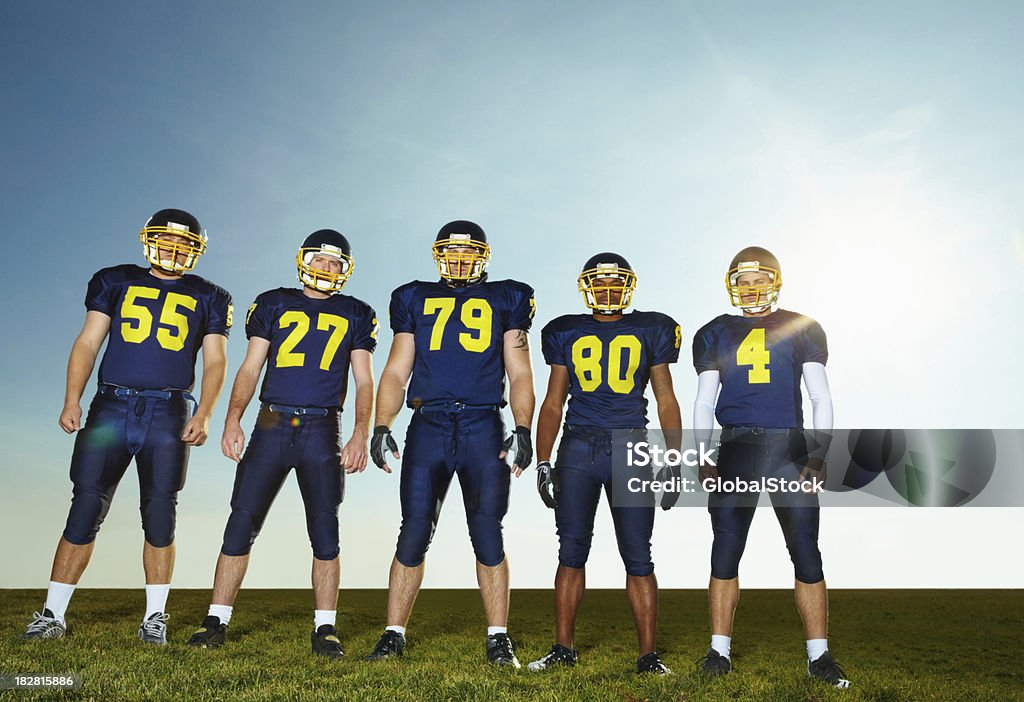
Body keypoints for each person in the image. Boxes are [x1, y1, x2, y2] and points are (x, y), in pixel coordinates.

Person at [22, 209, 231, 645]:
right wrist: (71, 398)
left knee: (160, 515)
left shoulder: (211, 295)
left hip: (169, 411)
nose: (174, 250)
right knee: (84, 508)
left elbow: (215, 360)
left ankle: (155, 617)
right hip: (110, 407)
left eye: (184, 245)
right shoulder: (115, 279)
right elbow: (88, 341)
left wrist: (205, 412)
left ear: (195, 251)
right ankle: (52, 614)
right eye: (167, 241)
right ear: (150, 240)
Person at [186, 229, 377, 658]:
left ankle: (325, 628)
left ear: (345, 270)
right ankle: (216, 619)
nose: (326, 268)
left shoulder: (357, 312)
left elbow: (364, 379)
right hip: (271, 423)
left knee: (325, 530)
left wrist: (361, 432)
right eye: (320, 260)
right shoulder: (274, 301)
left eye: (335, 263)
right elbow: (251, 366)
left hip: (323, 428)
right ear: (303, 260)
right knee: (241, 522)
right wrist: (232, 418)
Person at [365, 220, 535, 667]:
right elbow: (397, 369)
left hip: (483, 424)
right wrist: (382, 424)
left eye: (468, 253)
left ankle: (498, 638)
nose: (460, 261)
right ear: (439, 255)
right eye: (452, 252)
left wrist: (523, 427)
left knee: (487, 531)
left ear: (483, 256)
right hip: (429, 423)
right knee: (414, 529)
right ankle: (393, 633)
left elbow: (519, 370)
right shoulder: (413, 296)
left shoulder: (509, 296)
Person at [692, 246, 849, 688]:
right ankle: (718, 652)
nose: (750, 287)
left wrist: (819, 453)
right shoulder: (715, 332)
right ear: (732, 285)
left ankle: (819, 657)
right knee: (725, 548)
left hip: (789, 447)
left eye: (758, 279)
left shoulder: (802, 327)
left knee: (805, 550)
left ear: (774, 281)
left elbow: (821, 396)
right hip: (736, 446)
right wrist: (704, 453)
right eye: (742, 281)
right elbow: (704, 400)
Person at [527, 253, 681, 675]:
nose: (608, 288)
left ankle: (648, 656)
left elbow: (665, 397)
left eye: (616, 281)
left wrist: (673, 457)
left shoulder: (652, 329)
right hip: (577, 448)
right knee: (571, 551)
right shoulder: (566, 330)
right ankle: (563, 649)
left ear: (628, 285)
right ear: (586, 286)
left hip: (631, 447)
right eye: (601, 281)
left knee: (638, 555)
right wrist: (543, 461)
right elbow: (554, 400)